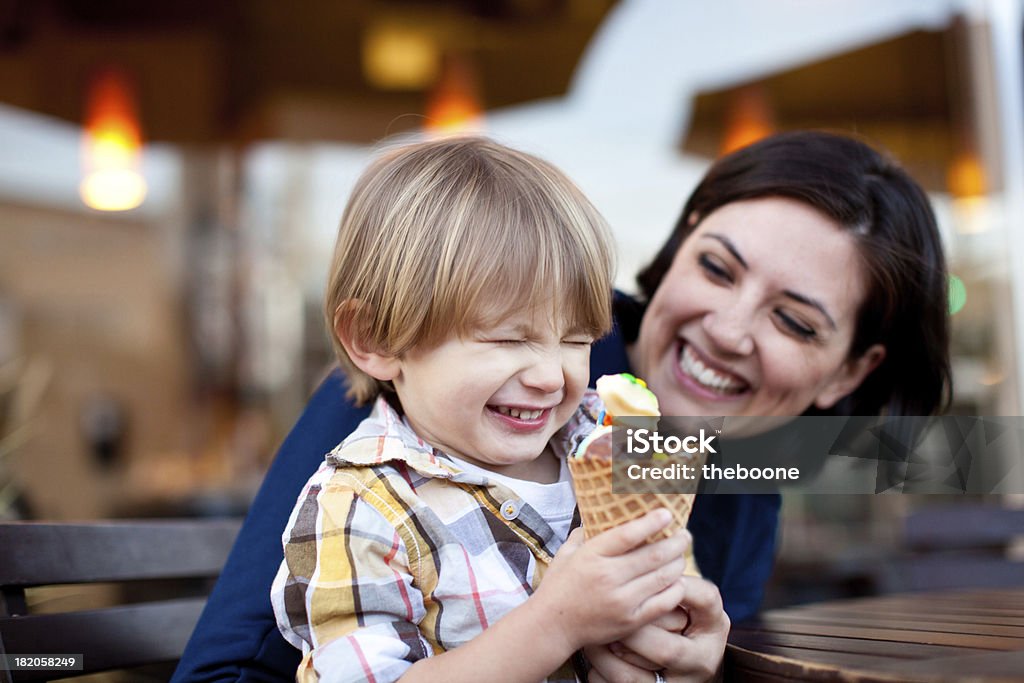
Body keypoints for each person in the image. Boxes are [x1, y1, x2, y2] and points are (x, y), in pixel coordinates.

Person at [173, 131, 950, 683]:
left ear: (847, 372)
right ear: (679, 246)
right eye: (717, 267)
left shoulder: (748, 466)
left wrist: (704, 665)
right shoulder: (429, 404)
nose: (729, 328)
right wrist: (556, 625)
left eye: (793, 320)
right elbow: (229, 667)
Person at [270, 135, 694, 682]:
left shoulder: (603, 437)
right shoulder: (361, 510)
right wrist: (557, 623)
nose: (550, 375)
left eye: (576, 338)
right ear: (375, 337)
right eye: (505, 339)